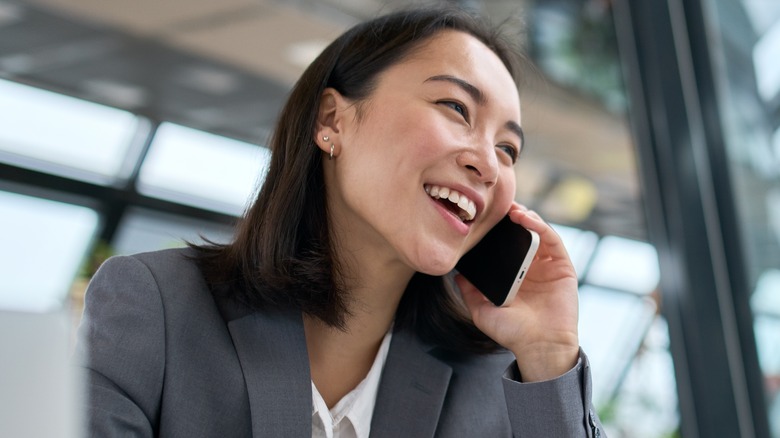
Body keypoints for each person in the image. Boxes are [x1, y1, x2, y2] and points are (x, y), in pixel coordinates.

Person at [75, 5, 605, 437]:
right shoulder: (156, 308)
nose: (488, 163)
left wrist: (547, 353)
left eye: (508, 148)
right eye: (456, 107)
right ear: (332, 120)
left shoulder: (496, 382)